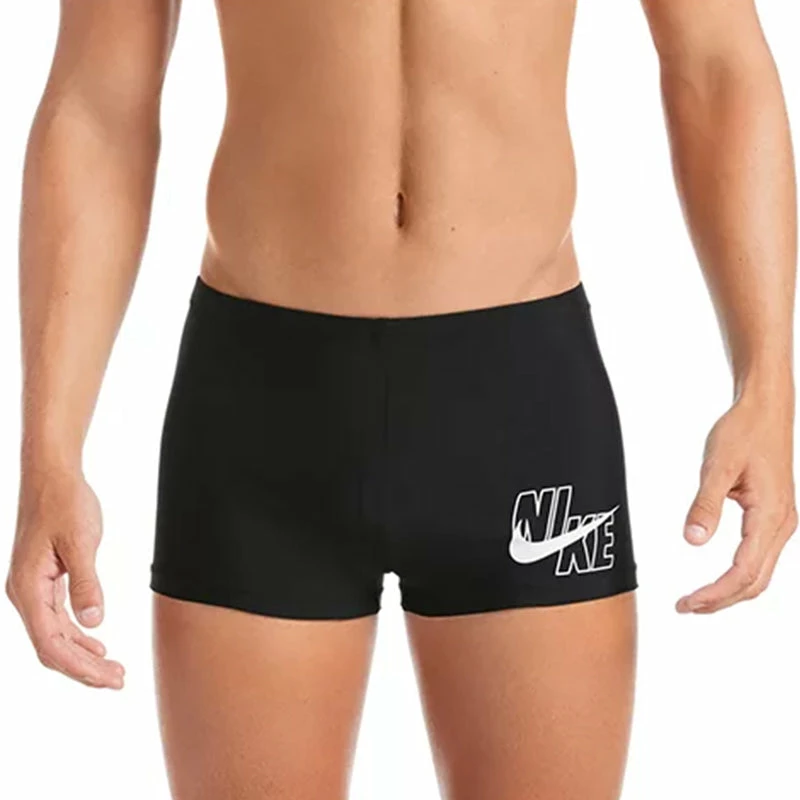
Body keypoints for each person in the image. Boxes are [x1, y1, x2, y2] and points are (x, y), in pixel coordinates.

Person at [5, 1, 797, 798]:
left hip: (520, 405)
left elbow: (717, 64)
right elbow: (98, 100)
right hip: (263, 410)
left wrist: (766, 384)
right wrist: (50, 452)